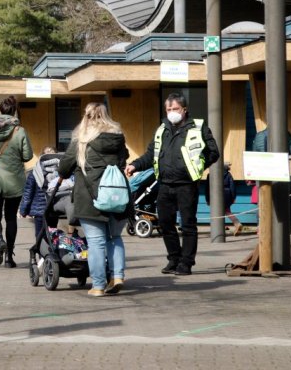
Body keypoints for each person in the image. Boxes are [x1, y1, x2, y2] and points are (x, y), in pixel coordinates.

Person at [125, 92, 219, 276]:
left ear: (184, 110)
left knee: (188, 225)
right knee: (166, 223)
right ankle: (173, 259)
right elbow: (151, 155)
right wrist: (135, 165)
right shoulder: (162, 129)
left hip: (186, 184)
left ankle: (186, 263)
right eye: (169, 109)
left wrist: (199, 165)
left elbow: (214, 152)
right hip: (165, 184)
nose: (172, 112)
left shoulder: (199, 128)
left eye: (175, 109)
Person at [59, 103, 129, 297]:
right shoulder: (118, 137)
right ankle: (117, 276)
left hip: (90, 196)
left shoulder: (81, 140)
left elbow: (63, 169)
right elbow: (124, 161)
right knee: (114, 237)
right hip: (117, 195)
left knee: (96, 242)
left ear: (86, 116)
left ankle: (98, 286)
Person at [0, 95, 33, 268]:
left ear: (0, 111)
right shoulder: (20, 131)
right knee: (11, 218)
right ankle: (9, 257)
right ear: (14, 111)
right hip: (14, 183)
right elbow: (28, 156)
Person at [20, 146, 69, 238]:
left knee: (40, 235)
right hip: (54, 208)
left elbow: (28, 193)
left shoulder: (35, 173)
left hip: (39, 211)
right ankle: (51, 251)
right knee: (52, 234)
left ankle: (42, 251)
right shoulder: (62, 172)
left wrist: (23, 210)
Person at [248, 128, 291, 204]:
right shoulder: (286, 134)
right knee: (281, 204)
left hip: (262, 176)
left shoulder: (258, 136)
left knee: (263, 205)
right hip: (281, 174)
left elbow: (254, 156)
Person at [205, 163, 243, 236]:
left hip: (214, 194)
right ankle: (231, 224)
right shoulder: (228, 174)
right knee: (226, 211)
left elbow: (207, 188)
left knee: (217, 212)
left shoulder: (210, 175)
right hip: (227, 194)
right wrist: (233, 197)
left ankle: (235, 224)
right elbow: (232, 186)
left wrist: (207, 199)